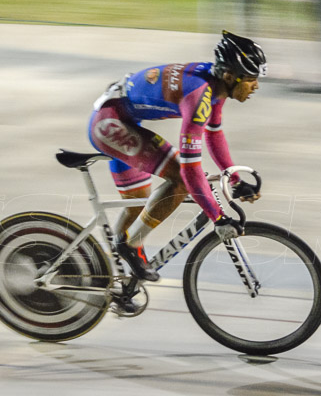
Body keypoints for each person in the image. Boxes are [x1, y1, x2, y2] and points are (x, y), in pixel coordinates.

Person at [87, 31, 264, 287]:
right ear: (229, 76)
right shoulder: (199, 96)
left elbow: (214, 136)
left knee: (137, 203)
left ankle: (112, 275)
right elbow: (190, 171)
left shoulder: (215, 86)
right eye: (250, 79)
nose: (256, 86)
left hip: (121, 118)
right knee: (181, 180)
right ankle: (129, 245)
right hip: (110, 124)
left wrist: (235, 179)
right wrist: (217, 218)